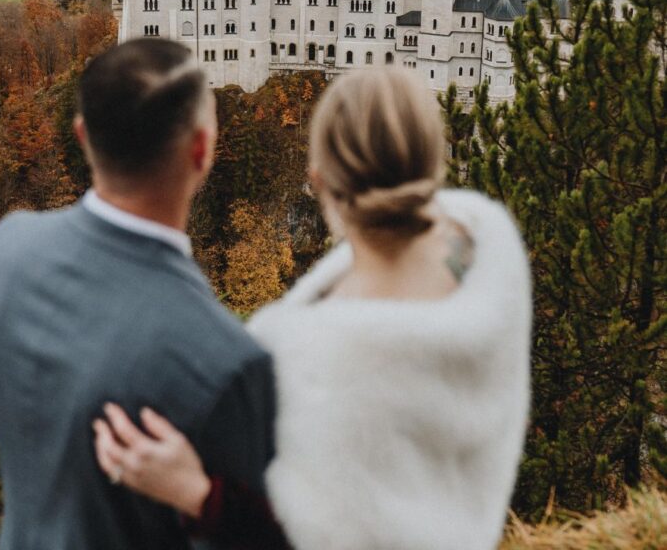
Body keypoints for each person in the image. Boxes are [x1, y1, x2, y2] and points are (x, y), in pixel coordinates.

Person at [94, 66, 532, 550]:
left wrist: (194, 493)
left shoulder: (307, 359)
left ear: (319, 182)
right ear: (434, 163)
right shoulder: (492, 252)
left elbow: (300, 538)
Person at [0, 38, 275, 550]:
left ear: (84, 136)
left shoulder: (4, 252)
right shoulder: (226, 361)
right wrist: (203, 500)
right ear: (202, 149)